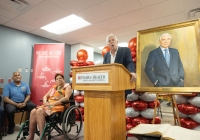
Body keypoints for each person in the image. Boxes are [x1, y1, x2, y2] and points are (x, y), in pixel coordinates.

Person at [27, 73, 72, 140]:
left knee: (39, 111)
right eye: (57, 79)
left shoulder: (67, 87)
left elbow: (66, 98)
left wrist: (53, 104)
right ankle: (31, 136)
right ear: (55, 81)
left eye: (60, 78)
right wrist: (45, 102)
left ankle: (43, 136)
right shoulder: (54, 87)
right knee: (33, 111)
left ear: (64, 79)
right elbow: (45, 96)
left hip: (58, 106)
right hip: (49, 105)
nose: (58, 80)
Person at [103, 34, 137, 98]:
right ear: (108, 45)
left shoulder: (125, 50)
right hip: (110, 86)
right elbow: (104, 69)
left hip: (122, 84)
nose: (111, 42)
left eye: (113, 40)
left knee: (121, 106)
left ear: (117, 42)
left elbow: (129, 62)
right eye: (109, 41)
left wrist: (132, 71)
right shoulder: (106, 55)